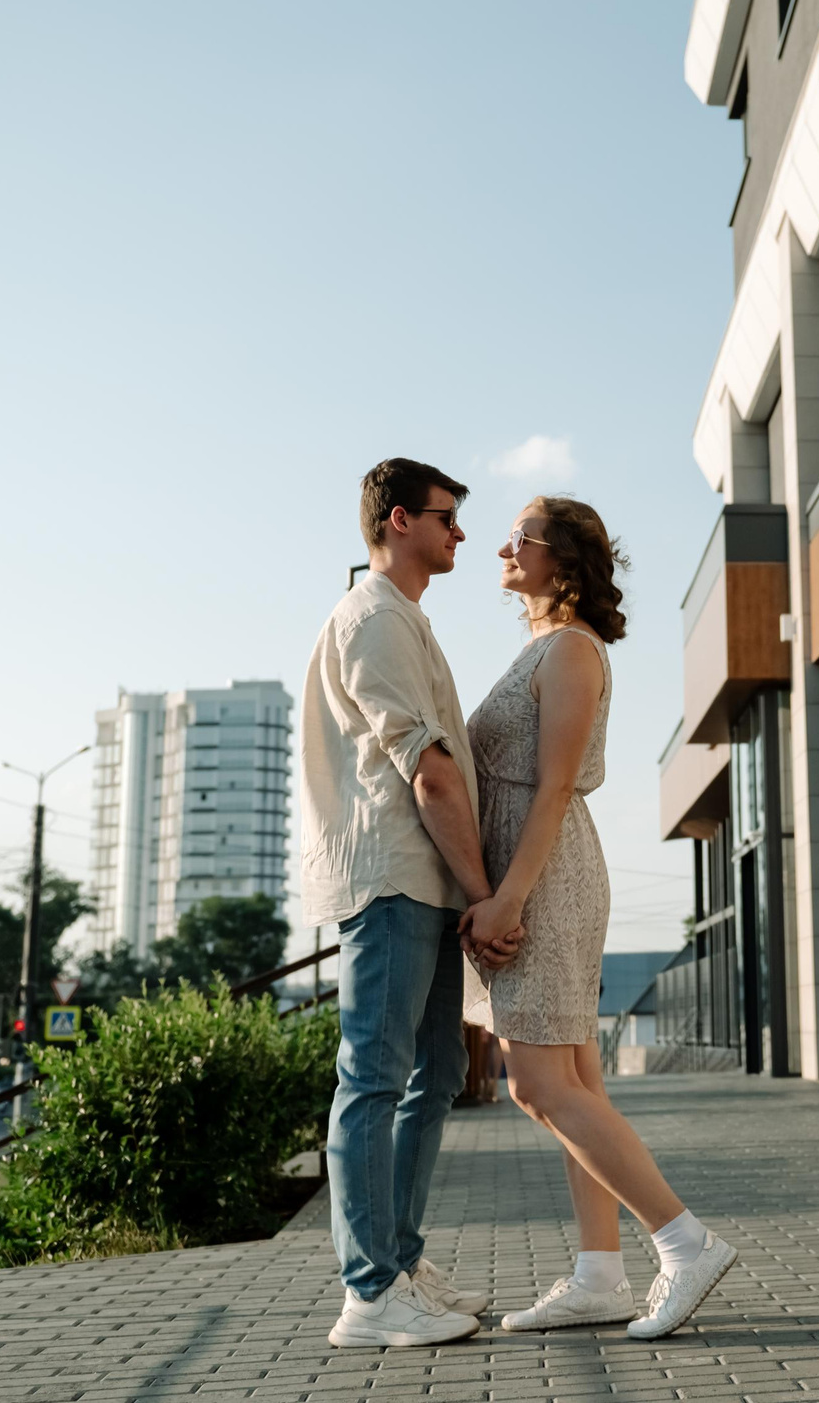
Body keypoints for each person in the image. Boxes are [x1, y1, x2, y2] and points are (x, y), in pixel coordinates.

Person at [460, 496, 739, 1339]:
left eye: (522, 538)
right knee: (573, 1083)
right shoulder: (540, 645)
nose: (504, 547)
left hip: (547, 876)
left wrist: (507, 894)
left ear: (564, 562)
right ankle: (600, 1273)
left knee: (540, 1085)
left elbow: (554, 787)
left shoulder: (574, 649)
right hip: (535, 871)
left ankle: (685, 1244)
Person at [302, 458, 523, 1348]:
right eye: (447, 518)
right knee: (375, 1080)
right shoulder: (372, 620)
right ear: (399, 521)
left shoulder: (407, 618)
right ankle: (368, 1294)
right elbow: (429, 773)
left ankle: (397, 1260)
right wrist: (488, 896)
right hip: (395, 880)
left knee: (434, 1078)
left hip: (425, 885)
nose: (461, 533)